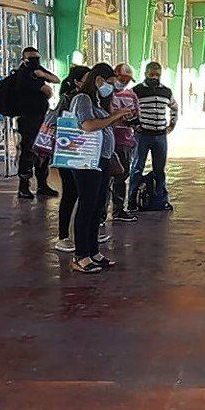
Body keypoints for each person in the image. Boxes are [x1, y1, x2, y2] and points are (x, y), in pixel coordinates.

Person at [68, 63, 132, 273]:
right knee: (87, 206)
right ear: (98, 80)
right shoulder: (83, 99)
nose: (111, 88)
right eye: (110, 82)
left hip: (101, 159)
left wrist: (117, 117)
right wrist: (114, 116)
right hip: (87, 160)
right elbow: (87, 125)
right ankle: (81, 255)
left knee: (97, 207)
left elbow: (102, 124)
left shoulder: (97, 100)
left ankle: (93, 251)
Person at [4, 47, 59, 199]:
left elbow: (56, 80)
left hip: (41, 117)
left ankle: (42, 184)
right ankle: (24, 186)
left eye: (37, 58)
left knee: (43, 150)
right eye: (32, 58)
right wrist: (42, 81)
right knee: (29, 151)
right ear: (24, 59)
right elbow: (47, 90)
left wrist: (42, 74)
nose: (35, 61)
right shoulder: (24, 74)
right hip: (28, 119)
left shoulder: (37, 70)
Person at [129, 61, 178, 210]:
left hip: (160, 136)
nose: (154, 77)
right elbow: (128, 109)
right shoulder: (136, 91)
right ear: (145, 74)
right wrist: (135, 125)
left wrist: (171, 125)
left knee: (160, 169)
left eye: (157, 75)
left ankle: (161, 199)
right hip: (142, 135)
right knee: (137, 167)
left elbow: (174, 108)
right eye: (152, 74)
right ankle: (132, 201)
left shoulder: (166, 92)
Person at [53, 65, 89, 253]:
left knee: (85, 194)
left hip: (86, 153)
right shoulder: (68, 99)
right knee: (70, 192)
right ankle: (63, 236)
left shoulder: (92, 98)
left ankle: (86, 232)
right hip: (69, 153)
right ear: (76, 82)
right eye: (87, 78)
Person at [107, 62, 140, 222]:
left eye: (128, 80)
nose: (125, 82)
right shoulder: (105, 94)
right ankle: (100, 213)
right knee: (106, 177)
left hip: (126, 140)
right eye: (123, 78)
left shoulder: (131, 95)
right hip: (109, 140)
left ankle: (118, 210)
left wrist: (132, 121)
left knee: (122, 174)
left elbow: (136, 113)